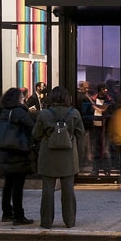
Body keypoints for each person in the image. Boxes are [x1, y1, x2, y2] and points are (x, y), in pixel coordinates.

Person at [31, 85, 85, 229]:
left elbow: (35, 134)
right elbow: (81, 135)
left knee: (48, 189)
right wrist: (81, 155)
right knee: (68, 190)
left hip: (48, 155)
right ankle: (70, 221)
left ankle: (46, 222)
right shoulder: (75, 113)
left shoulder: (44, 114)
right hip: (69, 155)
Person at [0, 87, 34, 225]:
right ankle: (19, 215)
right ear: (17, 98)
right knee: (18, 186)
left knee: (8, 184)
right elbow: (32, 127)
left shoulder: (5, 111)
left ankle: (7, 212)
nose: (23, 98)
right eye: (22, 97)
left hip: (5, 151)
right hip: (18, 152)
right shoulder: (19, 111)